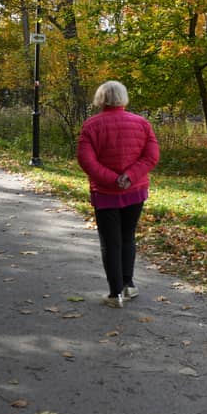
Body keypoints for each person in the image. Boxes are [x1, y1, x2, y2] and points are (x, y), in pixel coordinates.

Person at [76, 81, 160, 308]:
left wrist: (112, 179)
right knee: (127, 237)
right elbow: (151, 156)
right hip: (134, 190)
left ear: (100, 98)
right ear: (123, 97)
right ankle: (128, 285)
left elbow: (86, 160)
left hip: (105, 193)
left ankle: (115, 294)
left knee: (110, 242)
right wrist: (129, 176)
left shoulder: (91, 125)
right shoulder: (142, 123)